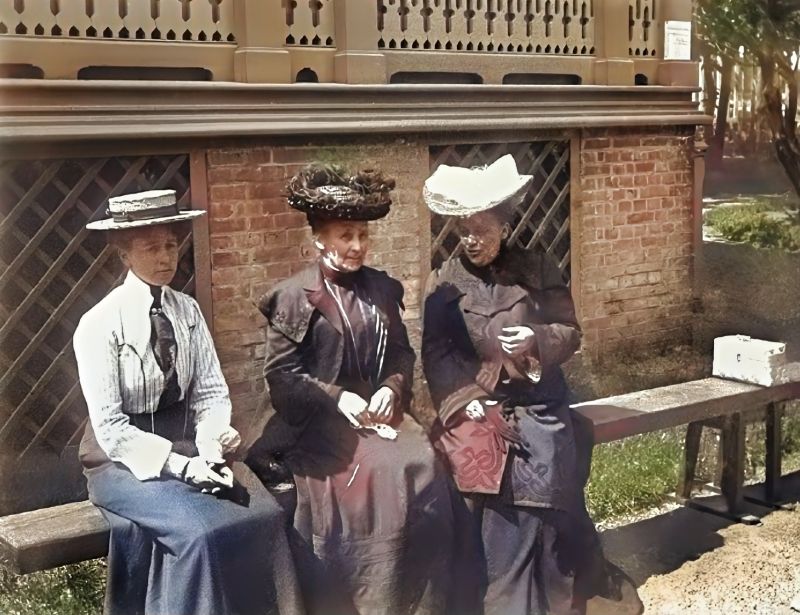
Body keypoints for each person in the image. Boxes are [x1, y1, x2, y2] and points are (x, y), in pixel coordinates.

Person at [248, 165, 478, 615]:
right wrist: (337, 397)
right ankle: (360, 601)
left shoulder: (381, 289)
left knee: (421, 462)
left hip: (381, 416)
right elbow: (283, 378)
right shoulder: (294, 297)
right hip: (314, 423)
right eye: (344, 235)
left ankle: (421, 602)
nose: (356, 246)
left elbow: (401, 356)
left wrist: (393, 387)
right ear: (319, 239)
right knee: (372, 480)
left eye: (362, 236)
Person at [421, 155, 643, 615]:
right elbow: (436, 353)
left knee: (542, 469)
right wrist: (465, 401)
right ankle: (491, 596)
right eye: (463, 229)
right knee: (470, 477)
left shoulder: (537, 269)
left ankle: (545, 595)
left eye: (481, 228)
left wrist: (534, 340)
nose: (471, 239)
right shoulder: (443, 283)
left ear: (503, 224)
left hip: (538, 401)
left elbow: (570, 330)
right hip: (477, 406)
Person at [74, 189, 303, 615]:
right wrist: (182, 466)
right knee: (200, 535)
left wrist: (212, 447)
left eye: (170, 245)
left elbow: (211, 392)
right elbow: (110, 428)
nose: (165, 258)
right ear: (124, 255)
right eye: (150, 248)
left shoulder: (188, 311)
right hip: (122, 461)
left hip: (191, 446)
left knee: (265, 516)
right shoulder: (99, 325)